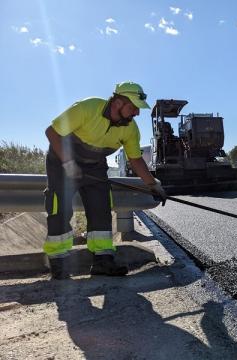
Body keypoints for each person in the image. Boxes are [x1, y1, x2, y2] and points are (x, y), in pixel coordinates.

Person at [44, 81, 167, 280]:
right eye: (133, 107)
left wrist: (152, 184)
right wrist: (68, 164)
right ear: (118, 102)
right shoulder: (87, 108)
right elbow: (52, 132)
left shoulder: (130, 129)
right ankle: (59, 263)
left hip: (94, 165)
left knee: (101, 207)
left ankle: (103, 261)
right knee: (60, 208)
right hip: (62, 160)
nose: (137, 113)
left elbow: (135, 159)